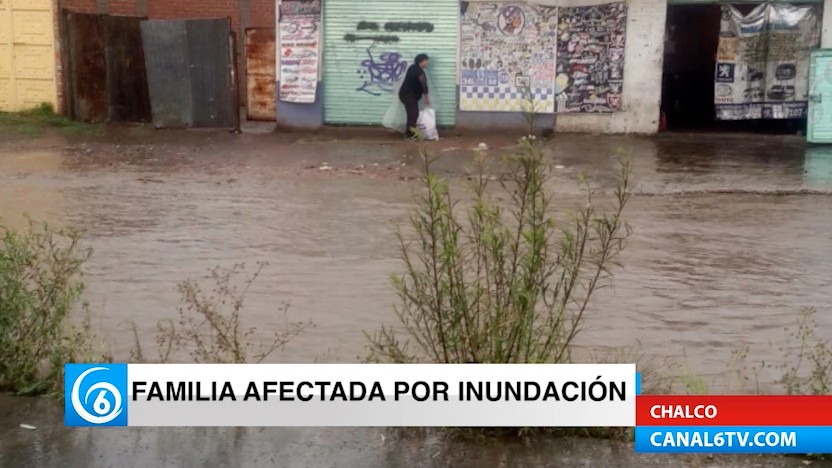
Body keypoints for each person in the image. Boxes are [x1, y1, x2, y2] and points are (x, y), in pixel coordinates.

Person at [399, 53, 430, 139]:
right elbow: (424, 85)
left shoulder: (413, 68)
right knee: (413, 114)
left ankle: (410, 133)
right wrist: (426, 98)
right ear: (422, 61)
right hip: (408, 95)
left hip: (406, 94)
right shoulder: (418, 71)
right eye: (426, 61)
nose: (427, 63)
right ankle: (409, 134)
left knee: (412, 113)